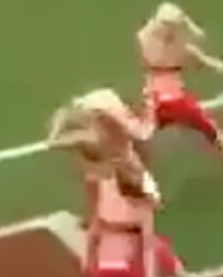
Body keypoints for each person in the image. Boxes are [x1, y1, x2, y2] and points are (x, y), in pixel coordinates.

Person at [138, 2, 223, 180]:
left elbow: (202, 57)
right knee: (210, 129)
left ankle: (142, 179)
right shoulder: (174, 47)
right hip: (170, 99)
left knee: (144, 137)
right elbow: (202, 54)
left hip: (156, 98)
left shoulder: (149, 39)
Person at [47, 88, 160, 224]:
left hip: (105, 119)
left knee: (94, 178)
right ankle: (93, 217)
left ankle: (93, 217)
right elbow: (61, 116)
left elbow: (61, 127)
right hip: (101, 111)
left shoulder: (99, 137)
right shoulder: (96, 129)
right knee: (94, 178)